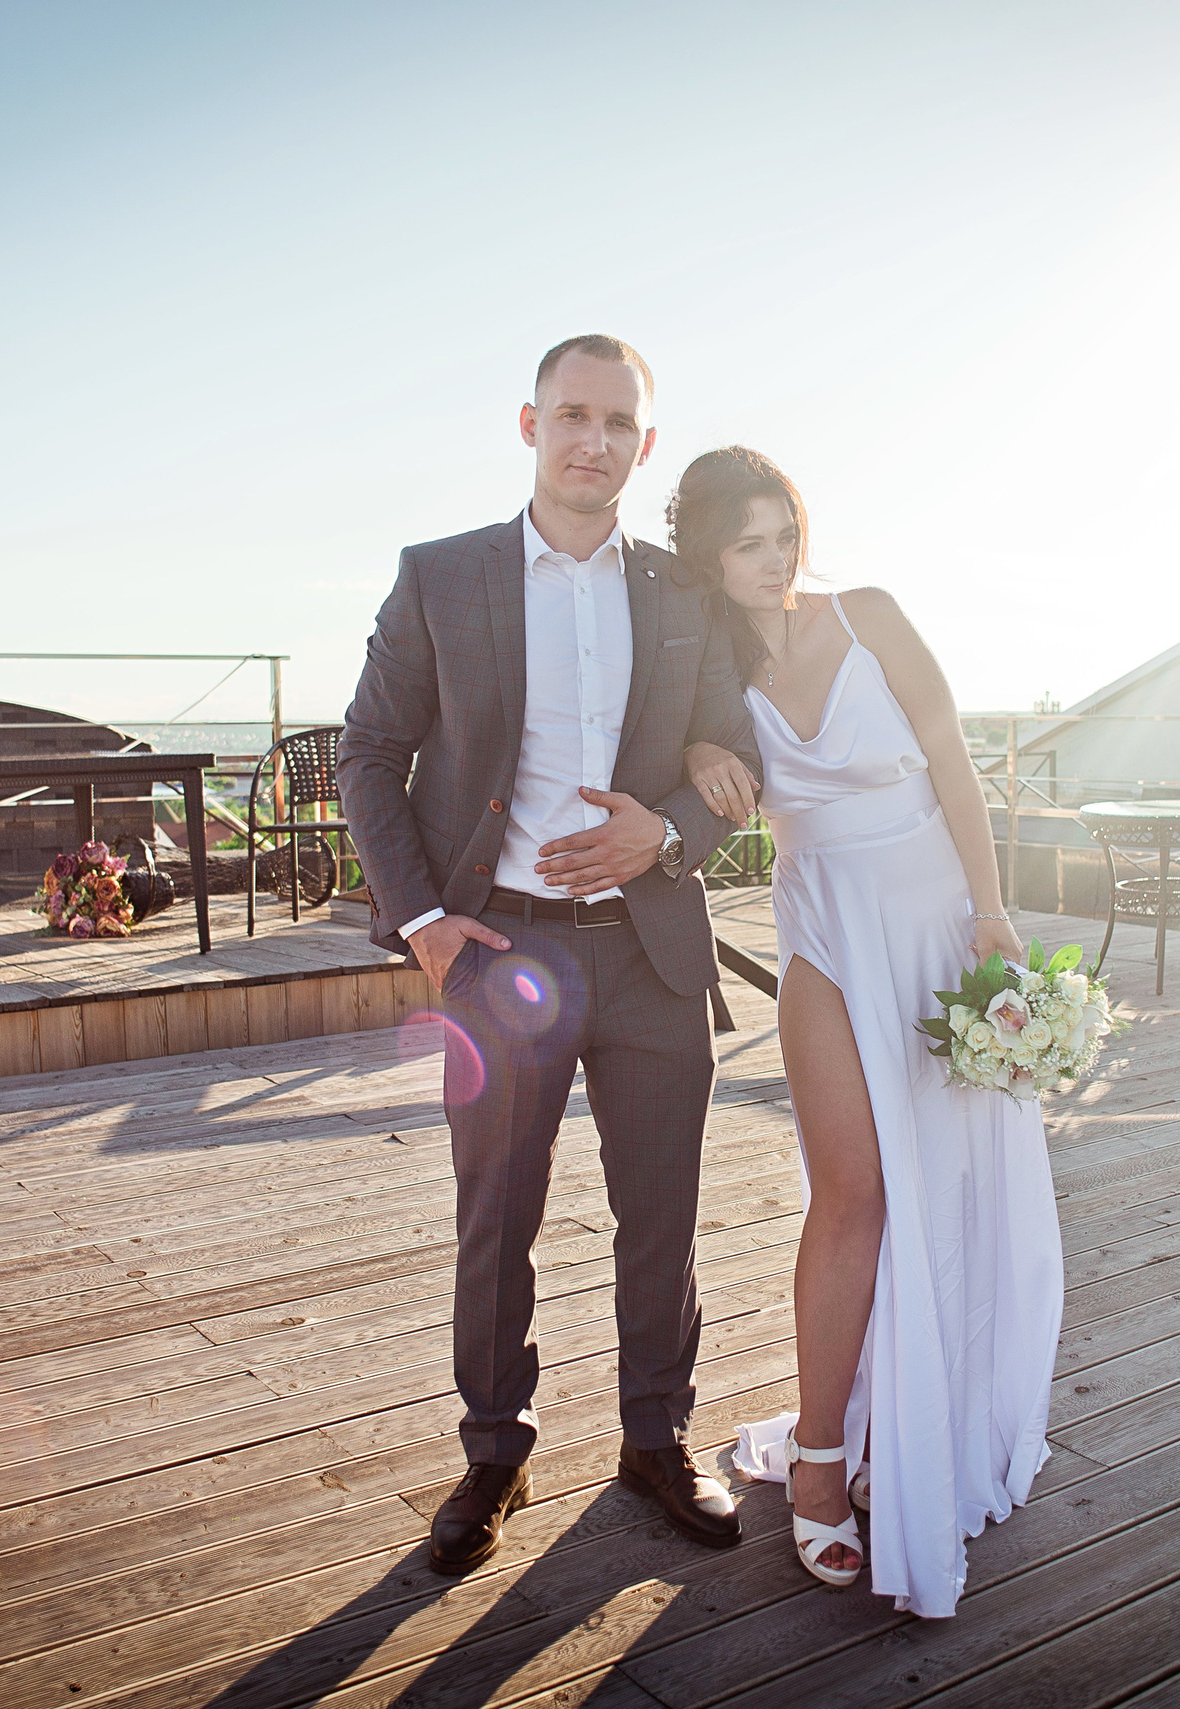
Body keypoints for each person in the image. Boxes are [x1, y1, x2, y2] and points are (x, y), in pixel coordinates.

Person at [336, 337, 765, 1575]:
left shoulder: (683, 592)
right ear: (529, 424)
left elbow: (735, 755)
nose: (594, 440)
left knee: (660, 1215)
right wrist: (419, 921)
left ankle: (655, 1438)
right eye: (572, 415)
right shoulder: (440, 576)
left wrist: (666, 832)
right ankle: (493, 1452)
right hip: (497, 951)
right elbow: (370, 751)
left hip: (648, 954)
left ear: (644, 440)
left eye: (618, 421)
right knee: (496, 1217)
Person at [675, 446, 1062, 1618]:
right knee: (853, 1187)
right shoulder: (705, 668)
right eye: (747, 542)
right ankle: (820, 1453)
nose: (774, 560)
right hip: (826, 925)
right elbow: (682, 778)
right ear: (707, 552)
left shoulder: (871, 612)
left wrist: (991, 915)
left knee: (948, 1181)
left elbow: (953, 759)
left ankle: (931, 1402)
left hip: (939, 917)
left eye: (784, 532)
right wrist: (698, 748)